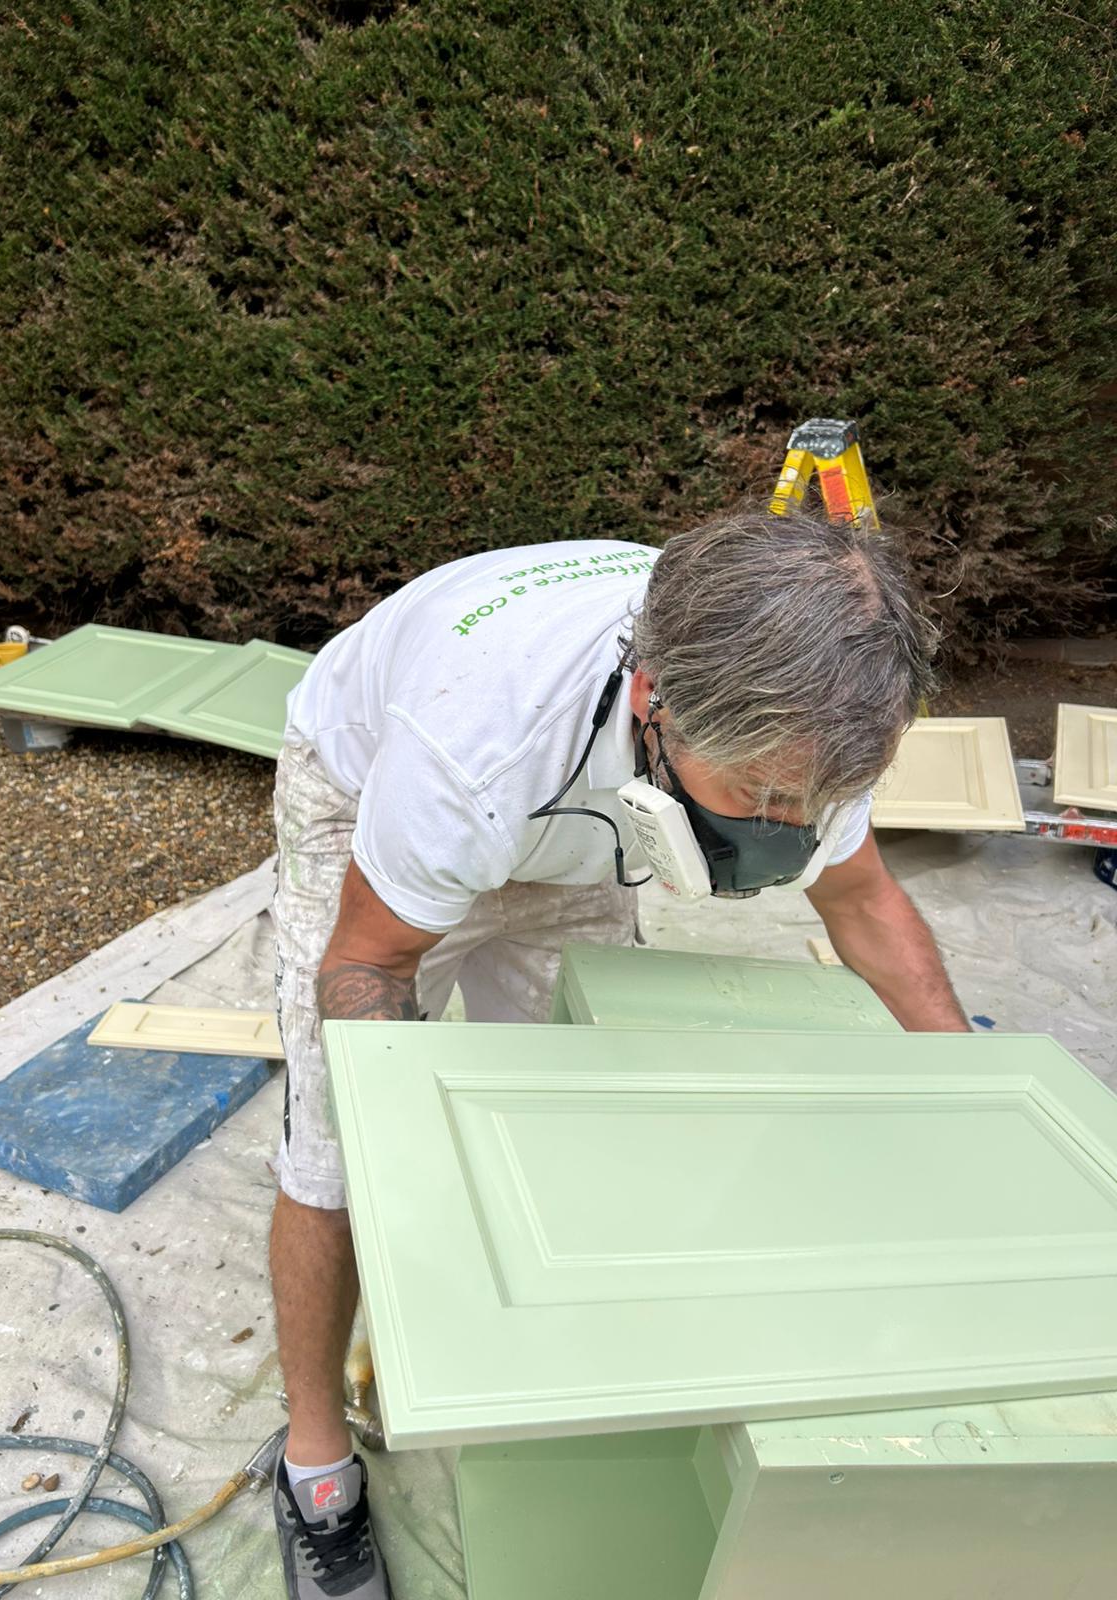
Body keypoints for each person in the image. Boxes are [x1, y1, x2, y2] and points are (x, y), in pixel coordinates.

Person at [268, 507, 966, 1598]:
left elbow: (864, 902)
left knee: (570, 1101)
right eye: (760, 801)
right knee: (332, 1159)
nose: (787, 830)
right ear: (656, 704)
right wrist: (410, 1179)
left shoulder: (820, 715)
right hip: (373, 796)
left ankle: (543, 1364)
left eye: (810, 805)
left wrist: (969, 1086)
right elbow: (370, 960)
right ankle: (314, 1464)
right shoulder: (476, 743)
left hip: (573, 821)